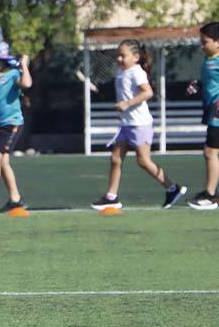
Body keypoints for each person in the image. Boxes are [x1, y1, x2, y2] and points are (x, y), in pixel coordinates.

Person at [90, 40, 186, 210]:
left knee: (143, 161)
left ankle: (172, 188)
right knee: (115, 158)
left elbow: (148, 92)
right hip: (126, 125)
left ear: (136, 57)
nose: (119, 58)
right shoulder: (121, 71)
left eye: (123, 55)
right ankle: (111, 197)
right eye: (118, 55)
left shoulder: (137, 72)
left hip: (139, 125)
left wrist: (127, 104)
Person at [0, 42, 32, 214]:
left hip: (13, 123)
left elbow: (27, 84)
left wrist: (24, 64)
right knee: (2, 161)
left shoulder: (12, 74)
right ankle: (15, 198)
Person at [187, 22, 219, 210]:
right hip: (212, 113)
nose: (201, 46)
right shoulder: (210, 60)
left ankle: (210, 195)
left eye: (205, 42)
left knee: (210, 152)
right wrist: (198, 84)